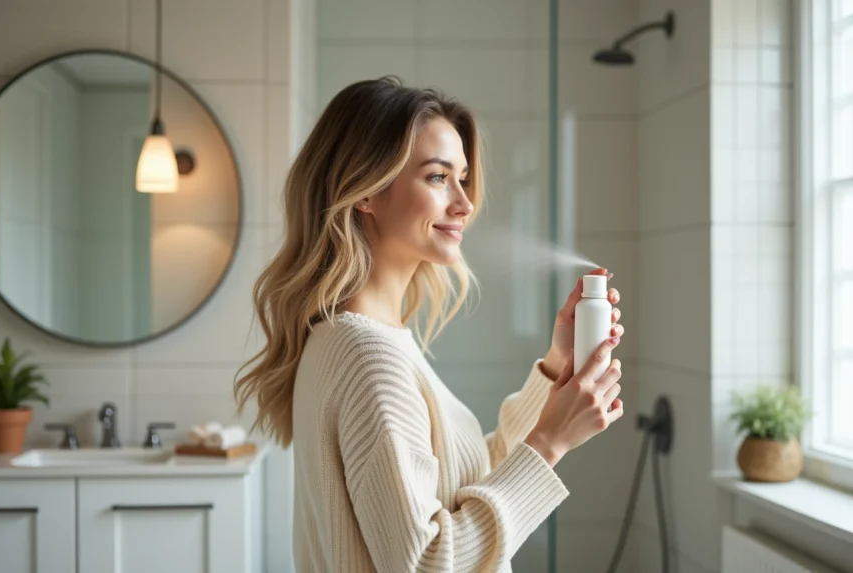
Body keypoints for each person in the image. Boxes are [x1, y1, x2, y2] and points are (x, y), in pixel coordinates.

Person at [234, 76, 625, 573]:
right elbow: (425, 562)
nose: (464, 203)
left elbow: (460, 487)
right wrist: (551, 441)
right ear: (365, 192)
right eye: (438, 178)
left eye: (461, 178)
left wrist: (554, 369)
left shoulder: (360, 338)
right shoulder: (366, 357)